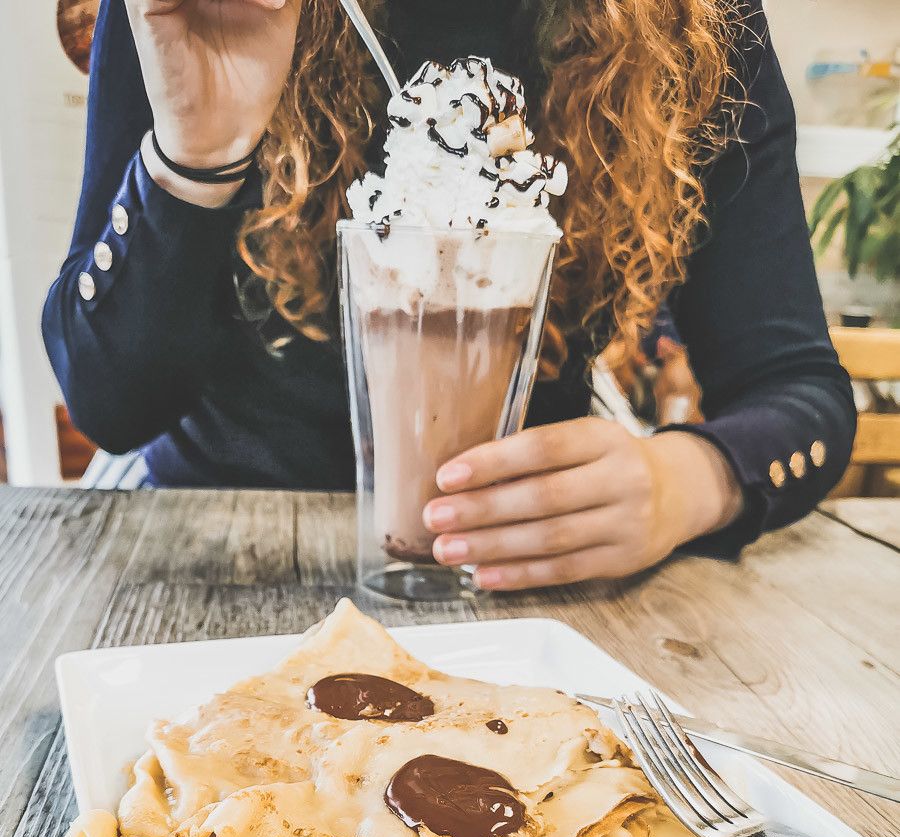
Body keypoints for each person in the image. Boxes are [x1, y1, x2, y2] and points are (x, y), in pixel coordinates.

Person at [43, 0, 856, 591]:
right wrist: (199, 156)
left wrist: (684, 484)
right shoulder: (195, 9)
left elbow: (800, 391)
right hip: (214, 545)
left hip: (530, 571)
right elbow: (110, 401)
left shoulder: (696, 24)